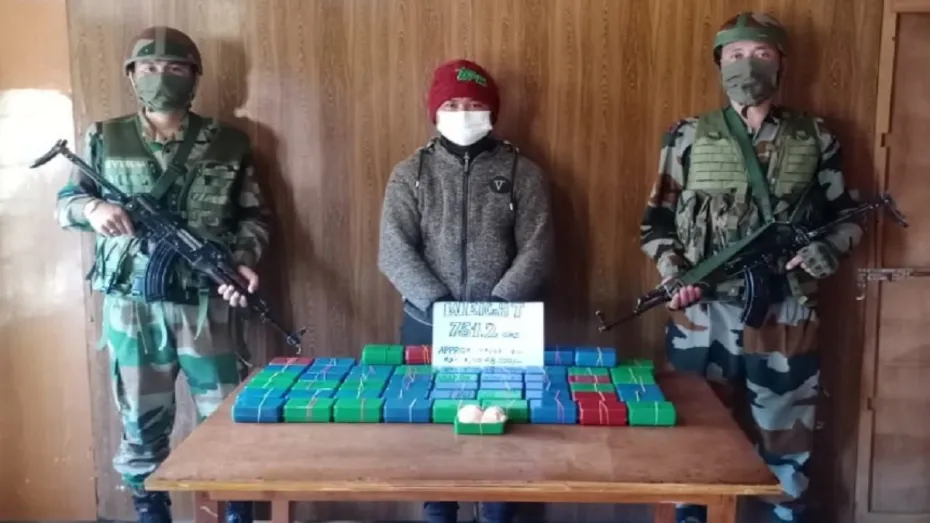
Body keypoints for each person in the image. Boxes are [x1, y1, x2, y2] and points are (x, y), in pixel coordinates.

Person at [639, 12, 862, 523]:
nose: (749, 64)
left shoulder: (816, 136)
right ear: (720, 64)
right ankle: (691, 513)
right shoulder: (687, 136)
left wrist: (830, 249)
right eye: (736, 55)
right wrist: (675, 275)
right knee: (695, 430)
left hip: (786, 309)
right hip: (702, 313)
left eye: (762, 54)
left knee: (786, 434)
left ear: (781, 63)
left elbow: (848, 216)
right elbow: (656, 224)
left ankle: (784, 514)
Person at [54, 26, 269, 523]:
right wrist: (92, 209)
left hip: (205, 305)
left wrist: (243, 260)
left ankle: (233, 511)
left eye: (174, 68)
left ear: (193, 77)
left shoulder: (230, 143)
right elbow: (65, 204)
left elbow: (254, 216)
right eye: (149, 68)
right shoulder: (104, 137)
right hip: (132, 308)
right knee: (140, 424)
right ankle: (151, 511)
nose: (161, 76)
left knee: (226, 422)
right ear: (132, 76)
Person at [377, 59, 555, 523]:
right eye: (452, 105)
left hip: (504, 329)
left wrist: (498, 306)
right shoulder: (410, 173)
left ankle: (497, 512)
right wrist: (438, 306)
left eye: (473, 105)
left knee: (503, 428)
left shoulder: (523, 172)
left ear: (491, 112)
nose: (462, 114)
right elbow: (393, 250)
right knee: (433, 429)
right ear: (435, 112)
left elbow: (538, 250)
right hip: (428, 324)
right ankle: (439, 511)